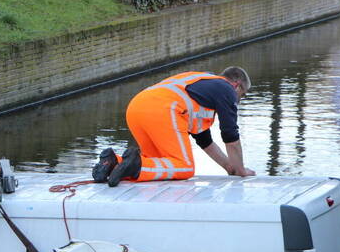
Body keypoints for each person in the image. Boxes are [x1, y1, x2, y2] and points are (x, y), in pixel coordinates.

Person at [93, 67, 255, 186]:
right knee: (185, 167)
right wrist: (241, 170)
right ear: (237, 85)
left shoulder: (204, 85)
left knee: (159, 166)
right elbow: (230, 136)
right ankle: (136, 165)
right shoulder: (226, 89)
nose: (240, 99)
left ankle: (113, 162)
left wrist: (230, 167)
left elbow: (205, 141)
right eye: (243, 94)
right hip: (163, 109)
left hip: (136, 107)